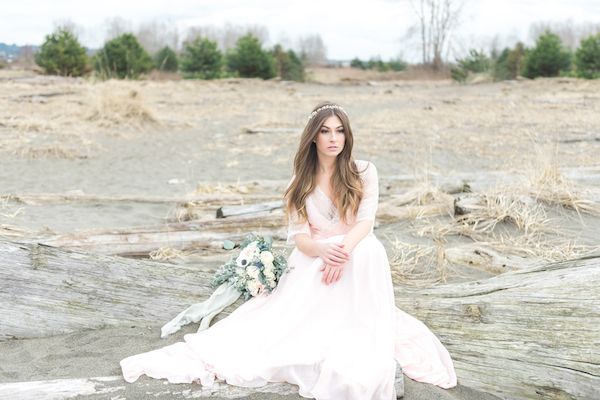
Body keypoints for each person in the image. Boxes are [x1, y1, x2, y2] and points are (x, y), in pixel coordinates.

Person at [120, 101, 457, 399]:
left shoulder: (364, 171)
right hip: (315, 255)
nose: (333, 138)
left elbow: (365, 223)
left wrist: (342, 251)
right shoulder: (299, 181)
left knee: (368, 250)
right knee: (287, 315)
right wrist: (325, 251)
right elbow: (300, 237)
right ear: (313, 136)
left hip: (357, 250)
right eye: (325, 131)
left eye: (340, 131)